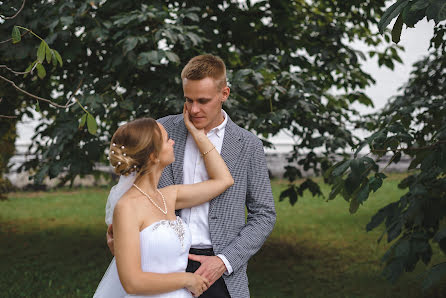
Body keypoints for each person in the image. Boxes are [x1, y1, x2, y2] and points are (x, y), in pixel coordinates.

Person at [107, 54, 276, 298]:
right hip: (161, 263)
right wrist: (121, 237)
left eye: (203, 101)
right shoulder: (161, 133)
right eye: (189, 99)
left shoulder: (248, 145)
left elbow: (264, 215)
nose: (194, 109)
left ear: (224, 94)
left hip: (223, 274)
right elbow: (134, 194)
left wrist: (224, 261)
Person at [94, 106, 234, 298]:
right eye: (167, 139)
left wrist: (198, 134)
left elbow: (224, 180)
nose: (173, 142)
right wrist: (187, 279)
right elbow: (132, 283)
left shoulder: (169, 196)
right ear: (153, 155)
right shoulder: (127, 207)